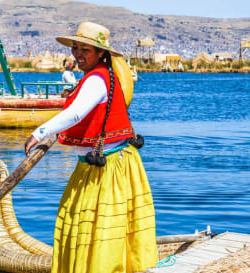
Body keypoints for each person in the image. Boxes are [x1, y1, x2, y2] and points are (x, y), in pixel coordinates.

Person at [24, 22, 158, 273]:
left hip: (108, 171)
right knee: (84, 224)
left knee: (100, 229)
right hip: (95, 168)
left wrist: (39, 133)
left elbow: (75, 114)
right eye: (76, 48)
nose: (78, 54)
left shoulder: (97, 80)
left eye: (86, 49)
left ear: (101, 54)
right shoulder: (97, 76)